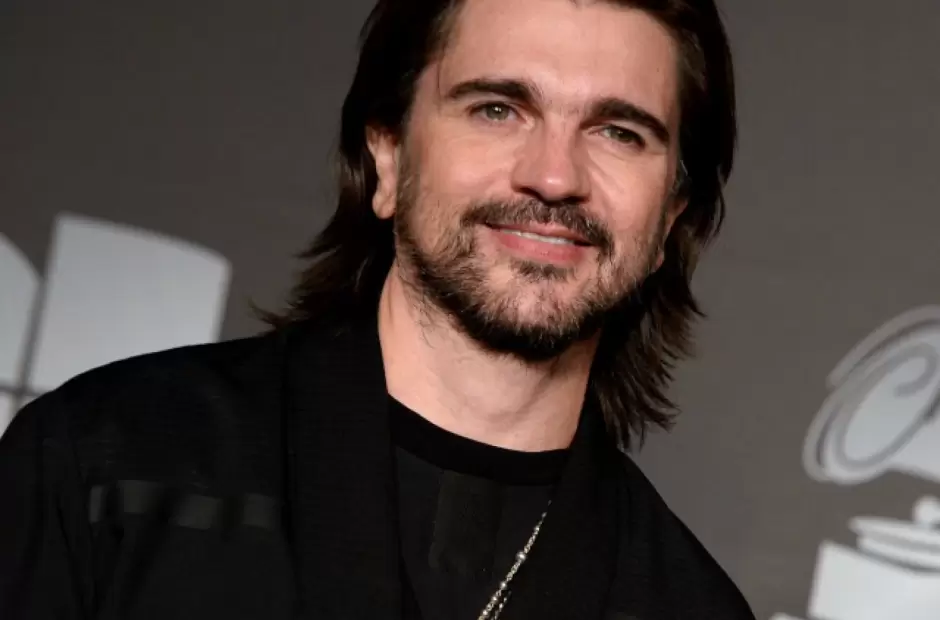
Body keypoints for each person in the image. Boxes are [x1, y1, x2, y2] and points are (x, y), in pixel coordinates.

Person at [0, 0, 755, 618]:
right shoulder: (107, 464)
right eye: (497, 109)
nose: (555, 177)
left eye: (619, 132)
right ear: (388, 156)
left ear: (670, 216)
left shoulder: (689, 605)